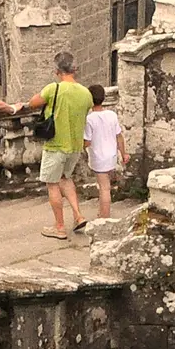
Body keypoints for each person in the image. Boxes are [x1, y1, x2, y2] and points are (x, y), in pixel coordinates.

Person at [30, 51, 92, 240]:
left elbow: (33, 103)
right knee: (66, 178)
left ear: (57, 70)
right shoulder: (86, 93)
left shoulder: (53, 88)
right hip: (75, 145)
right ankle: (78, 215)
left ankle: (59, 227)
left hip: (56, 144)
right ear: (75, 69)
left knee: (53, 184)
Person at [83, 83, 128, 223]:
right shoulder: (111, 115)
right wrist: (124, 153)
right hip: (111, 155)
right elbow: (119, 136)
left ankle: (105, 217)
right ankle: (101, 212)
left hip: (98, 157)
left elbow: (87, 142)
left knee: (104, 188)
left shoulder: (89, 119)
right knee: (105, 186)